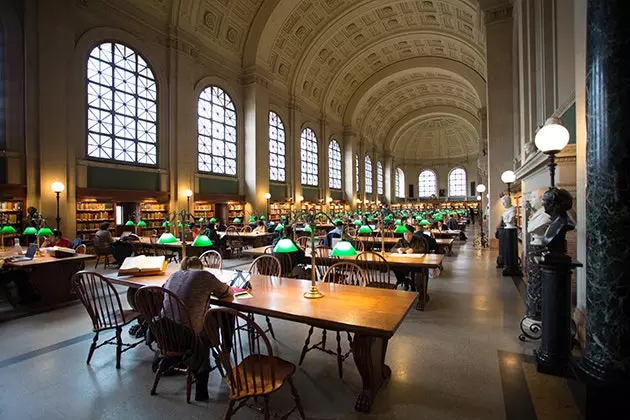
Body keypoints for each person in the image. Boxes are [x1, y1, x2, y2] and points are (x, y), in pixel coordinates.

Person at [160, 256, 233, 401]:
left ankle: (172, 361)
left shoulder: (174, 275)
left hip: (164, 332)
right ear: (201, 266)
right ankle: (225, 350)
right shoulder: (205, 276)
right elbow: (226, 292)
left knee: (204, 318)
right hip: (188, 337)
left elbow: (163, 290)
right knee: (225, 316)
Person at [392, 225, 428, 290]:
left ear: (413, 234)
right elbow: (392, 249)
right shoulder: (401, 241)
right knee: (394, 266)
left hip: (415, 263)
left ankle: (413, 284)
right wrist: (397, 250)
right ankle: (405, 281)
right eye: (405, 234)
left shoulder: (418, 240)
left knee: (416, 270)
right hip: (403, 262)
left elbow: (423, 249)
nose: (407, 237)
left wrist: (413, 250)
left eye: (409, 234)